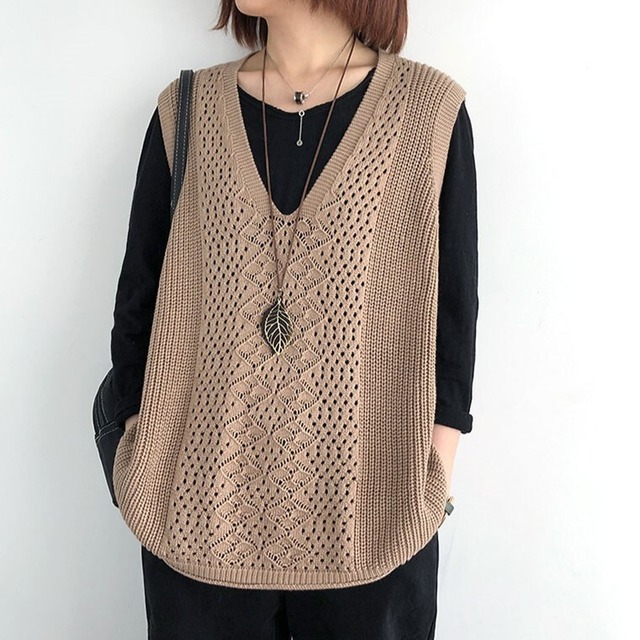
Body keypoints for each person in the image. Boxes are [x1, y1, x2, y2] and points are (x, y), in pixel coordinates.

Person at [109, 1, 478, 638]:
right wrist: (138, 441)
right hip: (197, 514)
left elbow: (454, 310)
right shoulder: (188, 109)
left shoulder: (428, 111)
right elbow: (138, 299)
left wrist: (434, 472)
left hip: (372, 514)